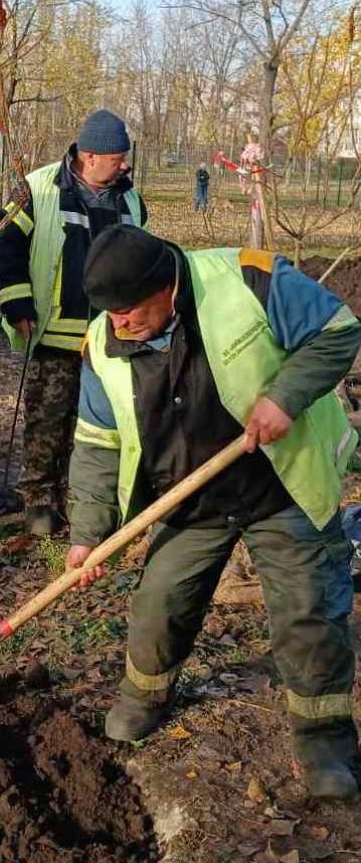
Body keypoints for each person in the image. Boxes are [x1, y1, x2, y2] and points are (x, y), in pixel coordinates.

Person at [66, 226, 361, 800]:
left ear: (165, 285)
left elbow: (337, 331)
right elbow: (97, 443)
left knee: (308, 609)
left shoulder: (247, 279)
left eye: (128, 310)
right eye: (108, 313)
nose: (117, 324)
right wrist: (87, 535)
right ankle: (144, 697)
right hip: (192, 496)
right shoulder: (102, 345)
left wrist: (286, 396)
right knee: (159, 602)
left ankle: (324, 738)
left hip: (282, 480)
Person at [0, 109, 146, 537]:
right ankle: (39, 501)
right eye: (117, 158)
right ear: (89, 156)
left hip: (111, 337)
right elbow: (5, 247)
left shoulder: (131, 200)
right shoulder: (37, 188)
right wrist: (17, 304)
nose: (125, 165)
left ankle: (86, 503)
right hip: (54, 333)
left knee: (101, 425)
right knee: (49, 420)